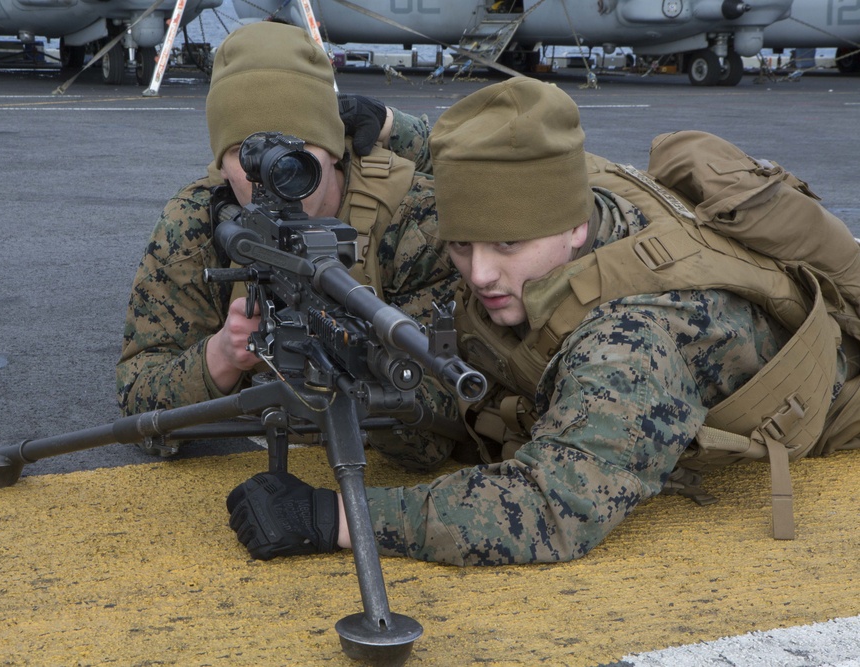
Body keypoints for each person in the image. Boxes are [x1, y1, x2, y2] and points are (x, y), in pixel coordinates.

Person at [226, 78, 860, 566]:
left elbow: (551, 511)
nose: (479, 275)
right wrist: (394, 128)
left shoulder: (630, 344)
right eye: (461, 246)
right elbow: (510, 149)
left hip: (831, 403)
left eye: (506, 247)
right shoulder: (565, 189)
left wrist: (336, 516)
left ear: (574, 228)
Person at [116, 21, 460, 461]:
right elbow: (137, 398)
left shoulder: (410, 219)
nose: (275, 180)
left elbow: (446, 427)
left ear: (335, 148)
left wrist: (363, 365)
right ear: (220, 163)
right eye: (249, 155)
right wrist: (220, 356)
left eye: (296, 155)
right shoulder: (197, 221)